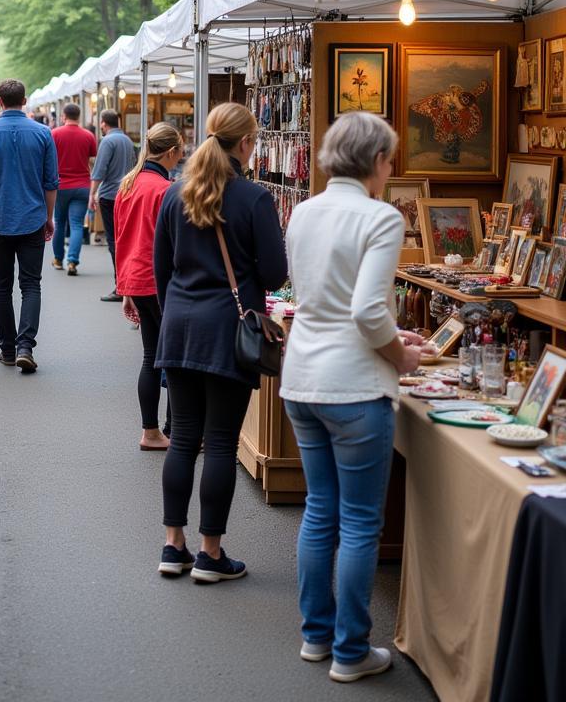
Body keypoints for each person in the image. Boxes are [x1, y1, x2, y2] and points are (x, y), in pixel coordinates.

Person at [281, 112, 428, 683]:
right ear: (374, 161)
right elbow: (366, 311)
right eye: (390, 159)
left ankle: (316, 638)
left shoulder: (304, 211)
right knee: (361, 522)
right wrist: (403, 355)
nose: (391, 169)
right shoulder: (380, 217)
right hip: (355, 387)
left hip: (303, 379)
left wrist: (393, 333)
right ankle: (350, 651)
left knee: (320, 511)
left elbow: (322, 296)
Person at [154, 103, 287, 582]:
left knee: (183, 439)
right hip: (228, 331)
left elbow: (161, 269)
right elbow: (274, 273)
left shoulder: (175, 194)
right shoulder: (253, 198)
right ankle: (210, 553)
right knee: (221, 443)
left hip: (180, 326)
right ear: (247, 143)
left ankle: (173, 546)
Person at [0, 78, 58, 373]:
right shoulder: (44, 133)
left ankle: (8, 349)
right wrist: (49, 216)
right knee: (31, 284)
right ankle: (25, 346)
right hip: (32, 217)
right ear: (25, 100)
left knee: (2, 285)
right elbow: (50, 182)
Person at [115, 123, 184, 451]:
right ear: (171, 152)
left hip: (136, 278)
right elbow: (175, 242)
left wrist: (125, 287)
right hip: (161, 280)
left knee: (150, 355)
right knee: (174, 359)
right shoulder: (165, 189)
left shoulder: (128, 184)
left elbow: (121, 238)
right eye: (181, 151)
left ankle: (151, 431)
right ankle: (173, 431)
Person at [90, 110, 137, 302]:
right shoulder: (126, 140)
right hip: (127, 192)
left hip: (110, 195)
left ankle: (121, 286)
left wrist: (92, 193)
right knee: (125, 239)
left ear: (103, 123)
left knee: (114, 241)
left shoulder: (108, 142)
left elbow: (99, 170)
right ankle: (127, 283)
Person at [51, 102, 96, 275]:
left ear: (64, 116)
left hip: (60, 185)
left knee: (59, 222)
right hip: (82, 185)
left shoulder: (54, 134)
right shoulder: (88, 135)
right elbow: (92, 160)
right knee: (77, 224)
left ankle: (57, 259)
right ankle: (72, 261)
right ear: (79, 116)